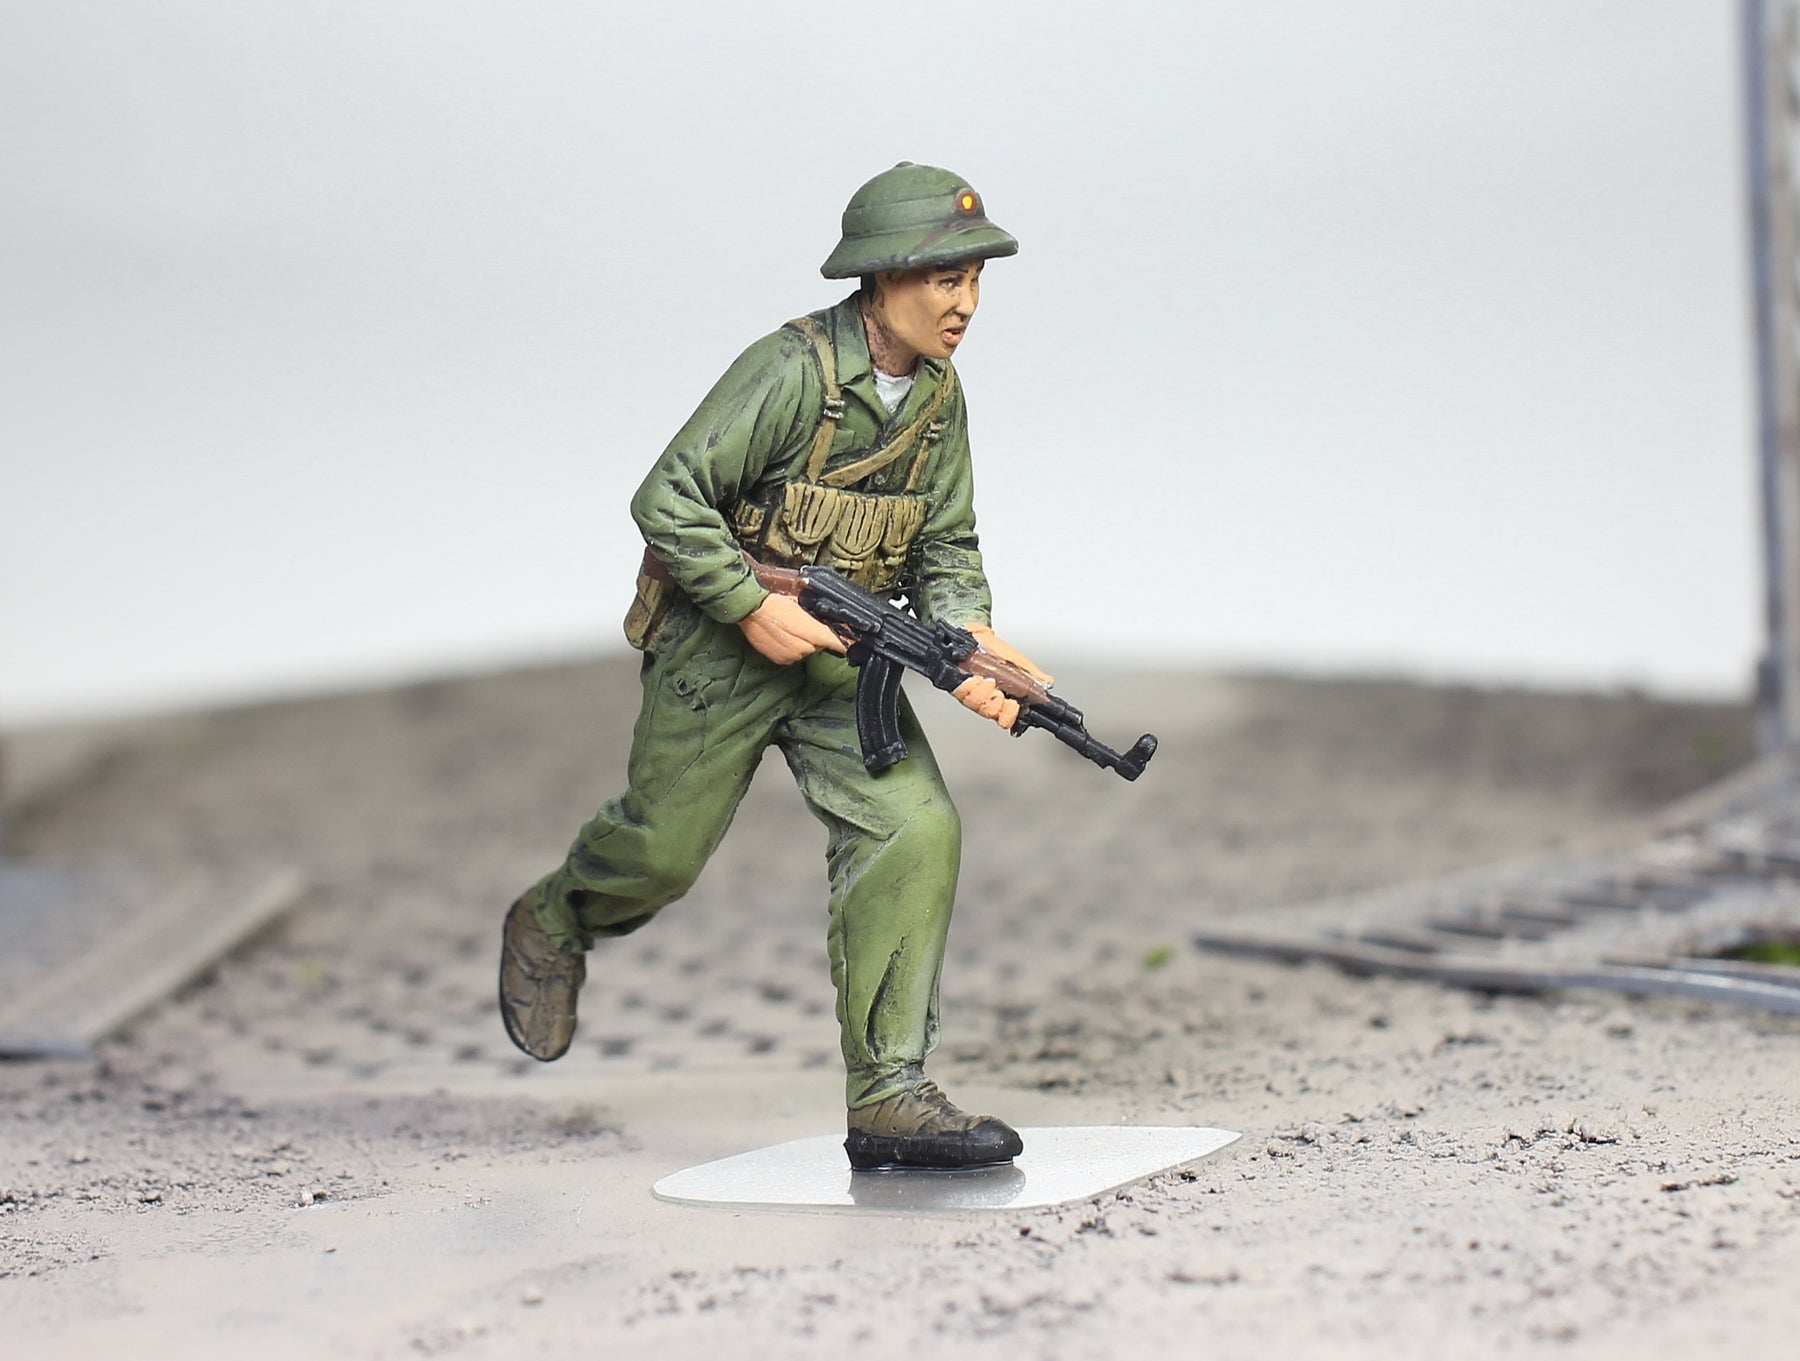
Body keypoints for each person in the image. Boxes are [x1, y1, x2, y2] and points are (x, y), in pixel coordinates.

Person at [499, 162, 1052, 1170]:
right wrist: (753, 606)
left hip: (844, 659)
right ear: (885, 277)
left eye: (976, 279)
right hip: (721, 651)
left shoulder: (939, 398)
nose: (967, 303)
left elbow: (945, 540)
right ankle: (556, 915)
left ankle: (889, 1093)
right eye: (947, 279)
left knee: (917, 825)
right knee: (660, 853)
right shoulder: (789, 371)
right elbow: (667, 497)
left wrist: (967, 635)